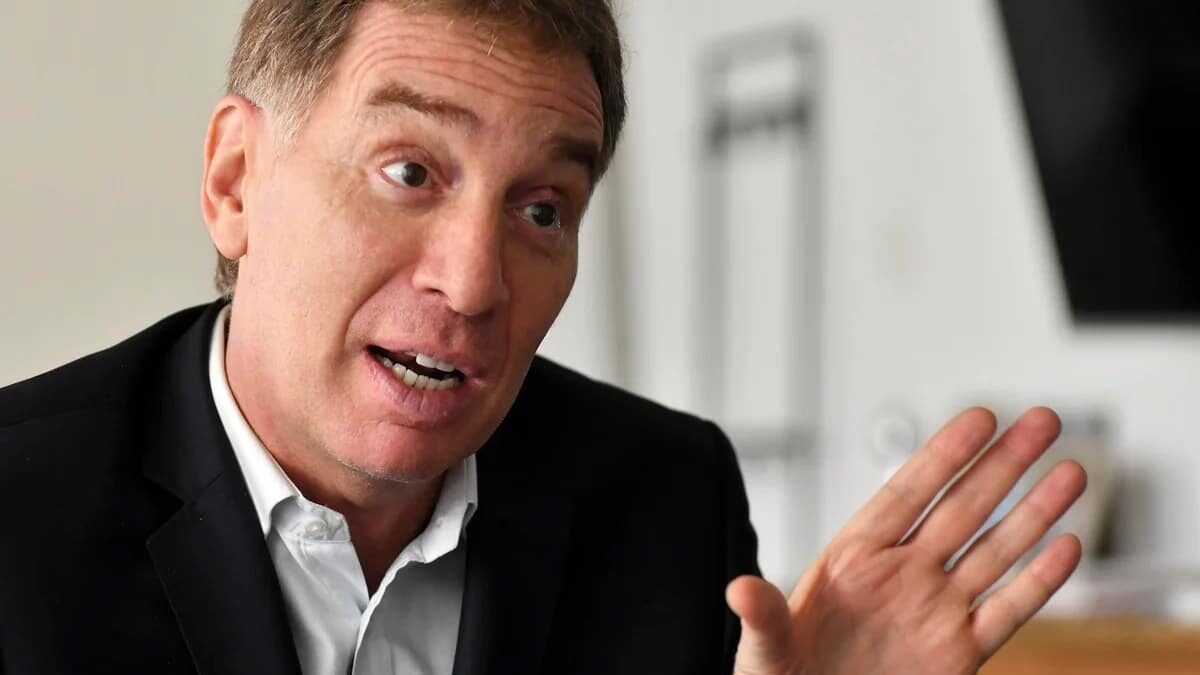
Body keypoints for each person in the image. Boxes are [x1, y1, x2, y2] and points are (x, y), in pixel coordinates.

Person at [0, 1, 1086, 673]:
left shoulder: (670, 504)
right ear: (237, 181)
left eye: (541, 210)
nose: (475, 284)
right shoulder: (18, 511)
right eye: (410, 171)